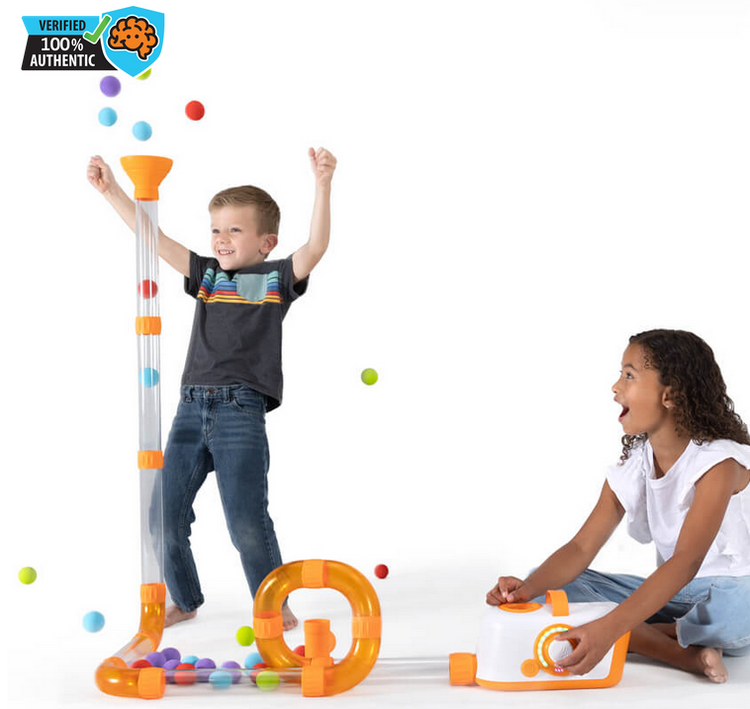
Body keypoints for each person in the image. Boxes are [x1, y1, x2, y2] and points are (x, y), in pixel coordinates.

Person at [87, 148, 337, 629]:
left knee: (246, 521)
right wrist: (112, 191)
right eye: (216, 229)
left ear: (266, 242)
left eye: (234, 230)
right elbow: (154, 239)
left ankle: (273, 602)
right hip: (190, 407)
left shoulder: (275, 278)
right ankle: (185, 599)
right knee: (162, 517)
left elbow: (316, 247)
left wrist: (322, 185)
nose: (221, 238)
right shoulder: (206, 276)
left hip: (240, 410)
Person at [486, 329, 750, 683]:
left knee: (740, 611)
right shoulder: (636, 463)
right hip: (673, 594)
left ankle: (652, 632)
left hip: (731, 595)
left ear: (670, 394)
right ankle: (683, 653)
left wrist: (609, 627)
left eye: (629, 375)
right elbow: (581, 547)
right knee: (551, 590)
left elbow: (686, 561)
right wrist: (525, 589)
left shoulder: (719, 463)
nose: (615, 387)